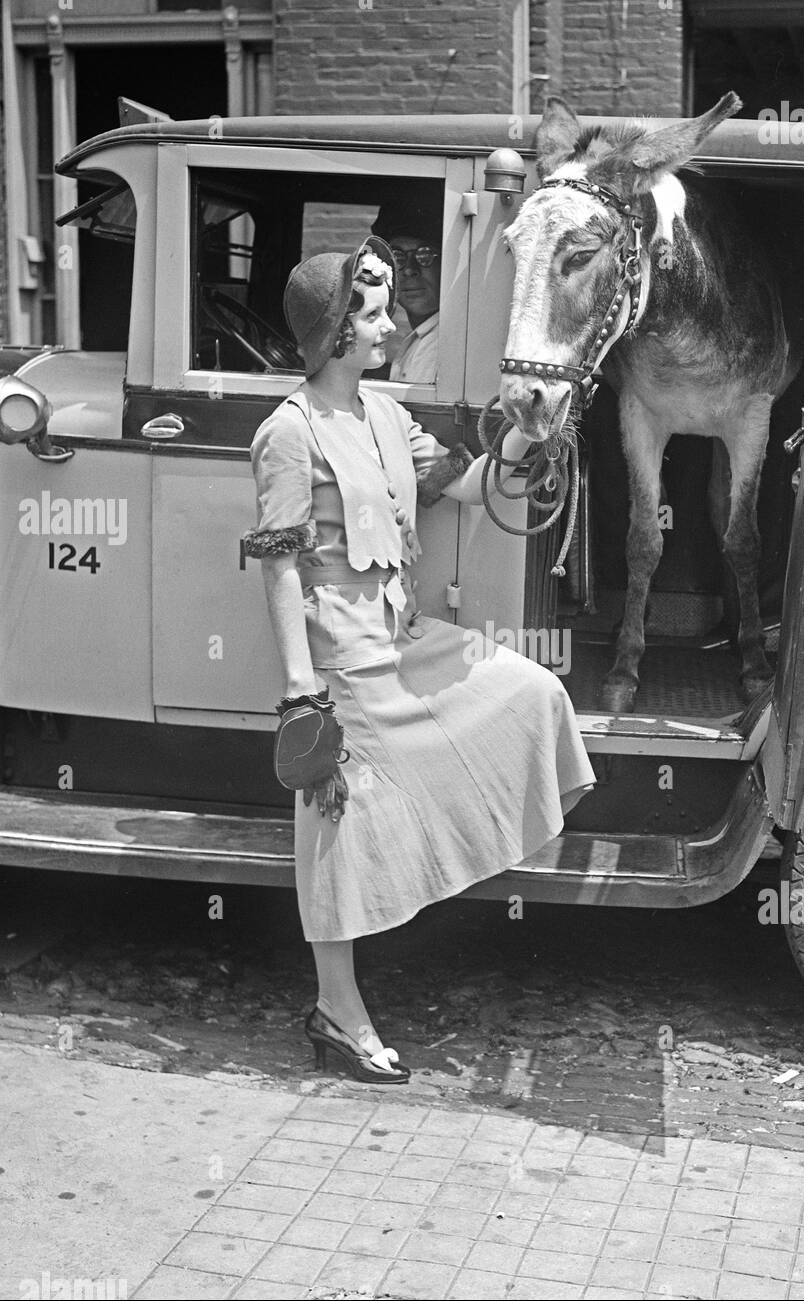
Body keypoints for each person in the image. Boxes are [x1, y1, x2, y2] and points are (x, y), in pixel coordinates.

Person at [244, 236, 595, 1084]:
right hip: (345, 663)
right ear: (332, 333)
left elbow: (467, 488)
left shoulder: (387, 417)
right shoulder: (287, 434)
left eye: (386, 309)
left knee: (531, 690)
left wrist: (524, 434)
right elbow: (280, 562)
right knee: (336, 821)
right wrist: (301, 694)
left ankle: (431, 888)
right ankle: (338, 1009)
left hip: (404, 637)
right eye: (369, 314)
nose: (390, 326)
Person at [371, 200, 441, 383]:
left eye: (424, 255)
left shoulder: (442, 346)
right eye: (397, 256)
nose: (410, 269)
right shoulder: (422, 337)